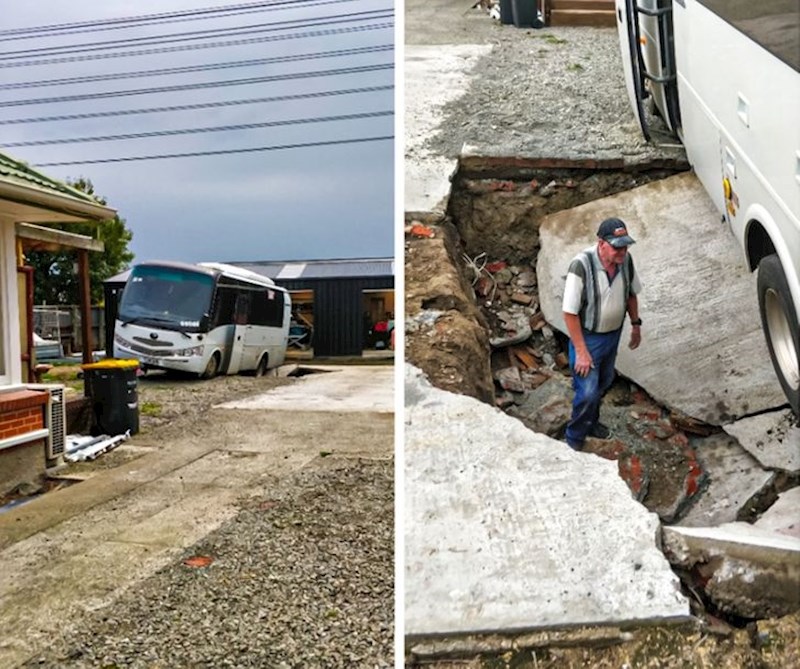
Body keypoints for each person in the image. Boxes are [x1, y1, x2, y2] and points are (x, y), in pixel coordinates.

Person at [561, 217, 643, 450]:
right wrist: (581, 351)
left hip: (612, 335)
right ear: (601, 243)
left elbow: (631, 294)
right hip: (588, 338)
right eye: (617, 247)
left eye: (625, 246)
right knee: (587, 392)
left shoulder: (625, 261)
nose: (622, 252)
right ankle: (574, 439)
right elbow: (569, 313)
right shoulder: (581, 266)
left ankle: (591, 422)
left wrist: (636, 324)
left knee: (604, 381)